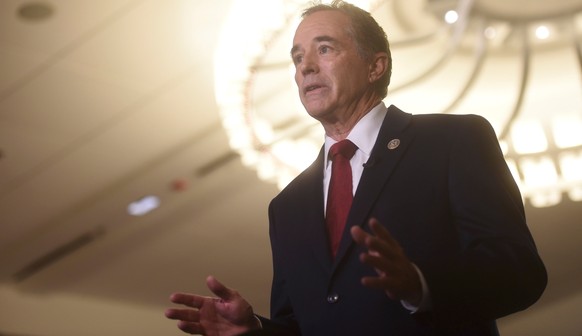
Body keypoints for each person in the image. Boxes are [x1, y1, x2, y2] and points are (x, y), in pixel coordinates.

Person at [165, 1, 547, 335]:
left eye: (325, 49)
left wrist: (420, 284)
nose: (306, 68)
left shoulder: (453, 140)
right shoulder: (287, 206)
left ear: (375, 66)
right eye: (297, 58)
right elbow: (305, 325)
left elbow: (519, 272)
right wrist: (254, 330)